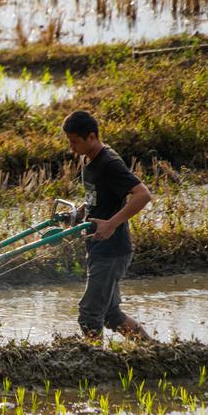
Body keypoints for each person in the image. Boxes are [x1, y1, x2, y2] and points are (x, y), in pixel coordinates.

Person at [62, 110, 152, 340]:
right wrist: (80, 211)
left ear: (91, 137)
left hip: (112, 250)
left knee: (89, 314)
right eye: (69, 141)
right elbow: (97, 196)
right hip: (98, 246)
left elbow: (143, 194)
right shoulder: (87, 159)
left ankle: (95, 370)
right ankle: (154, 351)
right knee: (111, 314)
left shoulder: (109, 163)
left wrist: (111, 224)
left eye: (75, 141)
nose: (71, 147)